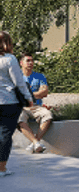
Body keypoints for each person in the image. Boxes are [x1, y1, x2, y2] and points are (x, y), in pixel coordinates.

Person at [0, 31, 32, 176]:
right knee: (6, 135)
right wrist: (28, 98)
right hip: (9, 102)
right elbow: (19, 82)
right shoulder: (9, 59)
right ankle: (1, 168)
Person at [17, 54, 53, 153]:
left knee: (48, 114)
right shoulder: (16, 77)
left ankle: (35, 142)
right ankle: (36, 143)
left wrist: (27, 94)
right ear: (21, 63)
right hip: (22, 107)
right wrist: (36, 94)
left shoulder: (40, 76)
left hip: (36, 106)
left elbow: (44, 92)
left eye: (32, 60)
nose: (31, 63)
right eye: (28, 60)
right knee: (18, 118)